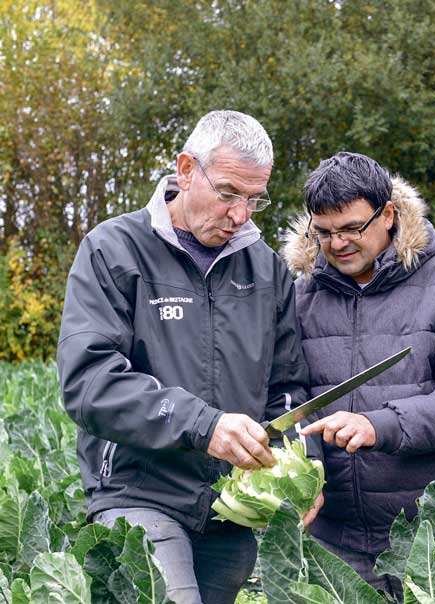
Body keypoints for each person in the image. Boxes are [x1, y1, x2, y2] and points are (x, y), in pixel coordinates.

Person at [57, 110, 310, 604]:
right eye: (228, 194)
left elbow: (288, 388)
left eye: (254, 199)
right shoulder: (113, 250)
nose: (241, 215)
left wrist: (301, 469)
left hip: (229, 510)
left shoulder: (265, 269)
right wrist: (204, 425)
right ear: (187, 169)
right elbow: (88, 383)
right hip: (138, 495)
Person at [280, 152, 435, 597]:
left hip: (429, 536)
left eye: (351, 228)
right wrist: (304, 470)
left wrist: (379, 424)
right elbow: (286, 394)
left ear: (387, 214)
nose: (337, 243)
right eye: (323, 232)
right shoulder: (299, 296)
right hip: (332, 535)